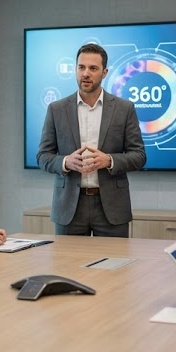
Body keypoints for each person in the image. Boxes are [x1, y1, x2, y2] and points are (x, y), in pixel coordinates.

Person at [36, 43, 146, 237]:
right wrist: (65, 162)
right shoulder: (56, 109)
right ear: (75, 69)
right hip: (69, 207)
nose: (86, 73)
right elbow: (43, 156)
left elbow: (139, 156)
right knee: (67, 259)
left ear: (104, 73)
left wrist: (109, 160)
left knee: (114, 258)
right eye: (81, 67)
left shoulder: (124, 109)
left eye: (93, 68)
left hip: (111, 207)